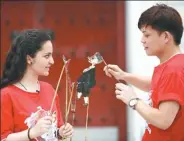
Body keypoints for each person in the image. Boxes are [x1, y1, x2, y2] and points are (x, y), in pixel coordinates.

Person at [104, 4, 184, 141]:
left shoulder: (174, 70)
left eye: (147, 35)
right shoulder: (172, 65)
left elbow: (164, 120)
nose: (142, 40)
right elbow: (154, 85)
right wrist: (123, 76)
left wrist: (133, 101)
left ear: (165, 37)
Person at [1, 29, 74, 141]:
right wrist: (32, 133)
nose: (52, 61)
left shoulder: (49, 89)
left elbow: (54, 132)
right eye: (46, 56)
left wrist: (61, 132)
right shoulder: (6, 95)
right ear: (29, 58)